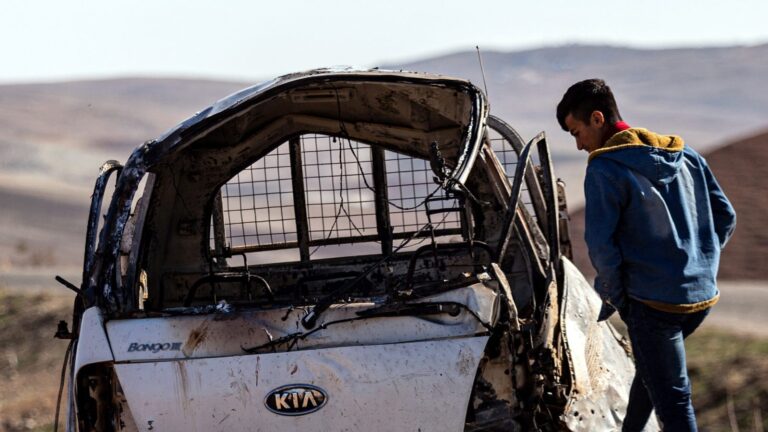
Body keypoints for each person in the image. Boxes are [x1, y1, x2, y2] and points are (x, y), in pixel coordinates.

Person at [556, 79, 736, 431]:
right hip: (699, 298)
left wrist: (618, 297)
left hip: (652, 305)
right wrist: (700, 264)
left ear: (597, 119)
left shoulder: (605, 169)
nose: (578, 145)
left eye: (577, 132)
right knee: (653, 372)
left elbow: (602, 247)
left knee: (675, 402)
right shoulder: (686, 155)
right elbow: (725, 216)